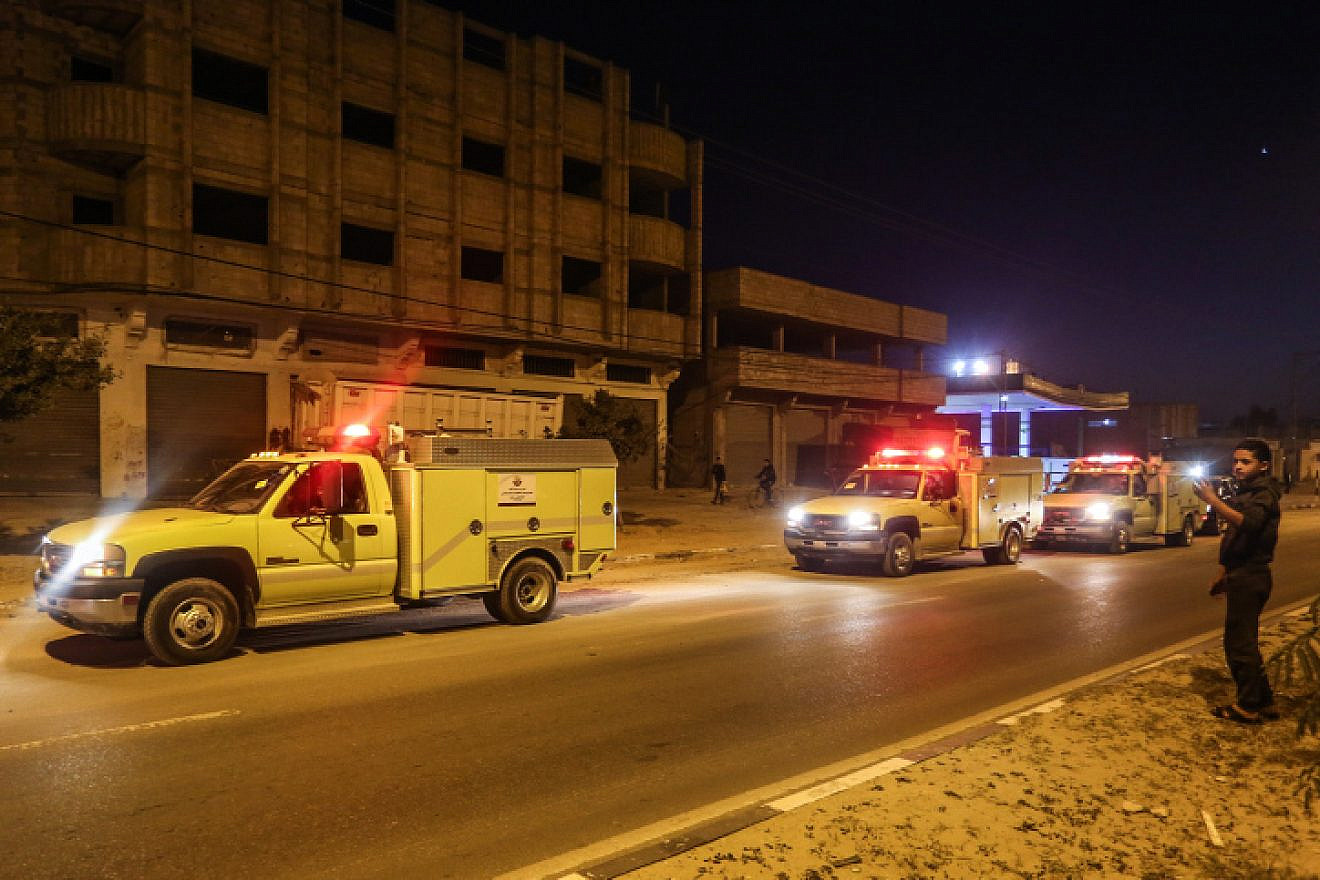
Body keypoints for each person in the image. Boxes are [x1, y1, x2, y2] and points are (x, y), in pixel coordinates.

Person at [1194, 438, 1282, 724]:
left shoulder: (1265, 494)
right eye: (1236, 461)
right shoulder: (1245, 492)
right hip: (1239, 574)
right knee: (1245, 642)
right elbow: (1233, 538)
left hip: (1252, 575)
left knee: (1239, 645)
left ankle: (1248, 707)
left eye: (1246, 462)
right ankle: (1264, 702)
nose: (1238, 467)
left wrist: (1211, 500)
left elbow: (1249, 524)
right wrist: (1222, 574)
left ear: (1264, 465)